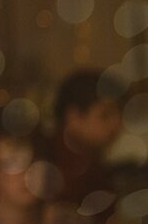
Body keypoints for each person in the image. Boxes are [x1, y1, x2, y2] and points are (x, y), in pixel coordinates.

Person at [47, 70, 124, 211]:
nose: (117, 124)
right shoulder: (58, 168)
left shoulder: (90, 160)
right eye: (105, 115)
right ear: (74, 116)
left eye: (119, 113)